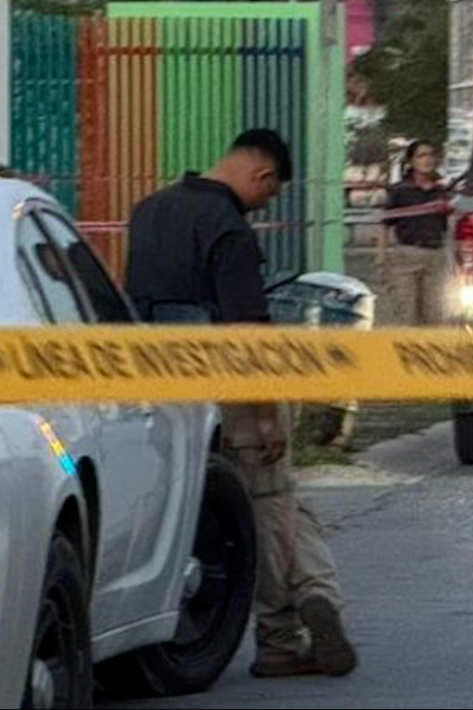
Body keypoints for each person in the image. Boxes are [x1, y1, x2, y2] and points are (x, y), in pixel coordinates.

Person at [124, 129, 358, 680]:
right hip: (229, 388)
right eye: (271, 194)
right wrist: (265, 412)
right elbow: (247, 332)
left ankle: (313, 598)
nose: (266, 204)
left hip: (160, 385)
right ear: (261, 176)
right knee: (271, 503)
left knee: (251, 507)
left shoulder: (148, 212)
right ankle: (281, 635)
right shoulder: (229, 230)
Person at [383, 139, 450, 325]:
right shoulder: (399, 190)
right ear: (411, 162)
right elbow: (384, 223)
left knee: (434, 316)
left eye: (430, 155)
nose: (427, 160)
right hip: (406, 255)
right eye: (421, 156)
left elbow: (447, 224)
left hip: (434, 256)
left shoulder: (441, 191)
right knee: (407, 315)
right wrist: (381, 259)